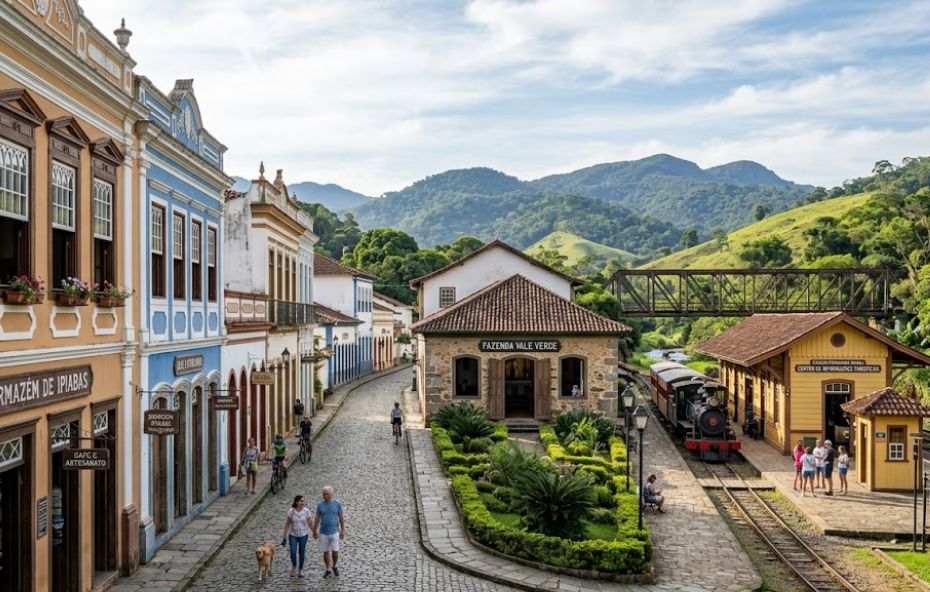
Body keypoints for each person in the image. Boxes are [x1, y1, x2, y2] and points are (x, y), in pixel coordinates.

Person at [312, 485, 346, 578]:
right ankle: (327, 568)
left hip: (335, 531)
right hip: (323, 532)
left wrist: (343, 530)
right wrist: (314, 530)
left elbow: (341, 517)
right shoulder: (320, 505)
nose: (324, 496)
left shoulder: (337, 504)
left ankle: (334, 565)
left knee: (335, 552)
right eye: (323, 494)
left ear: (331, 494)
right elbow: (317, 518)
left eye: (326, 494)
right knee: (325, 552)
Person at [282, 495, 313, 578]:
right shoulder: (291, 511)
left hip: (303, 535)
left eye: (303, 501)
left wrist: (314, 532)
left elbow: (310, 523)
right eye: (301, 501)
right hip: (293, 535)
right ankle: (294, 567)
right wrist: (284, 535)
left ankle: (301, 569)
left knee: (301, 552)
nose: (303, 503)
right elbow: (287, 524)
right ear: (296, 502)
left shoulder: (306, 511)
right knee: (293, 552)